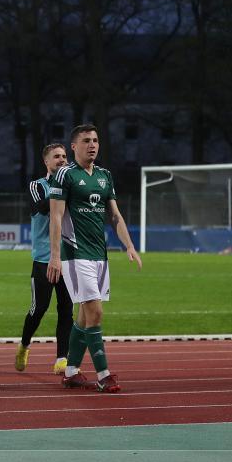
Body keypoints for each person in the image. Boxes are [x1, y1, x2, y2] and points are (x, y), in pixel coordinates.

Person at [47, 124, 142, 393]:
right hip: (75, 255)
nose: (92, 145)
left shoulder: (104, 175)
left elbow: (114, 216)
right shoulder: (64, 175)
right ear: (74, 146)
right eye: (86, 141)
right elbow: (55, 217)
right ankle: (103, 374)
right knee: (95, 312)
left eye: (96, 140)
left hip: (100, 254)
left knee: (83, 318)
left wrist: (129, 246)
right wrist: (55, 257)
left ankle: (71, 372)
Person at [15, 144, 73, 374]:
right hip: (43, 258)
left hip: (68, 257)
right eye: (56, 157)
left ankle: (62, 359)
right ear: (46, 162)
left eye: (64, 156)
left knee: (66, 309)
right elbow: (40, 206)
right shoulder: (37, 185)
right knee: (39, 308)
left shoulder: (73, 186)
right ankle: (24, 344)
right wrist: (62, 189)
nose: (62, 159)